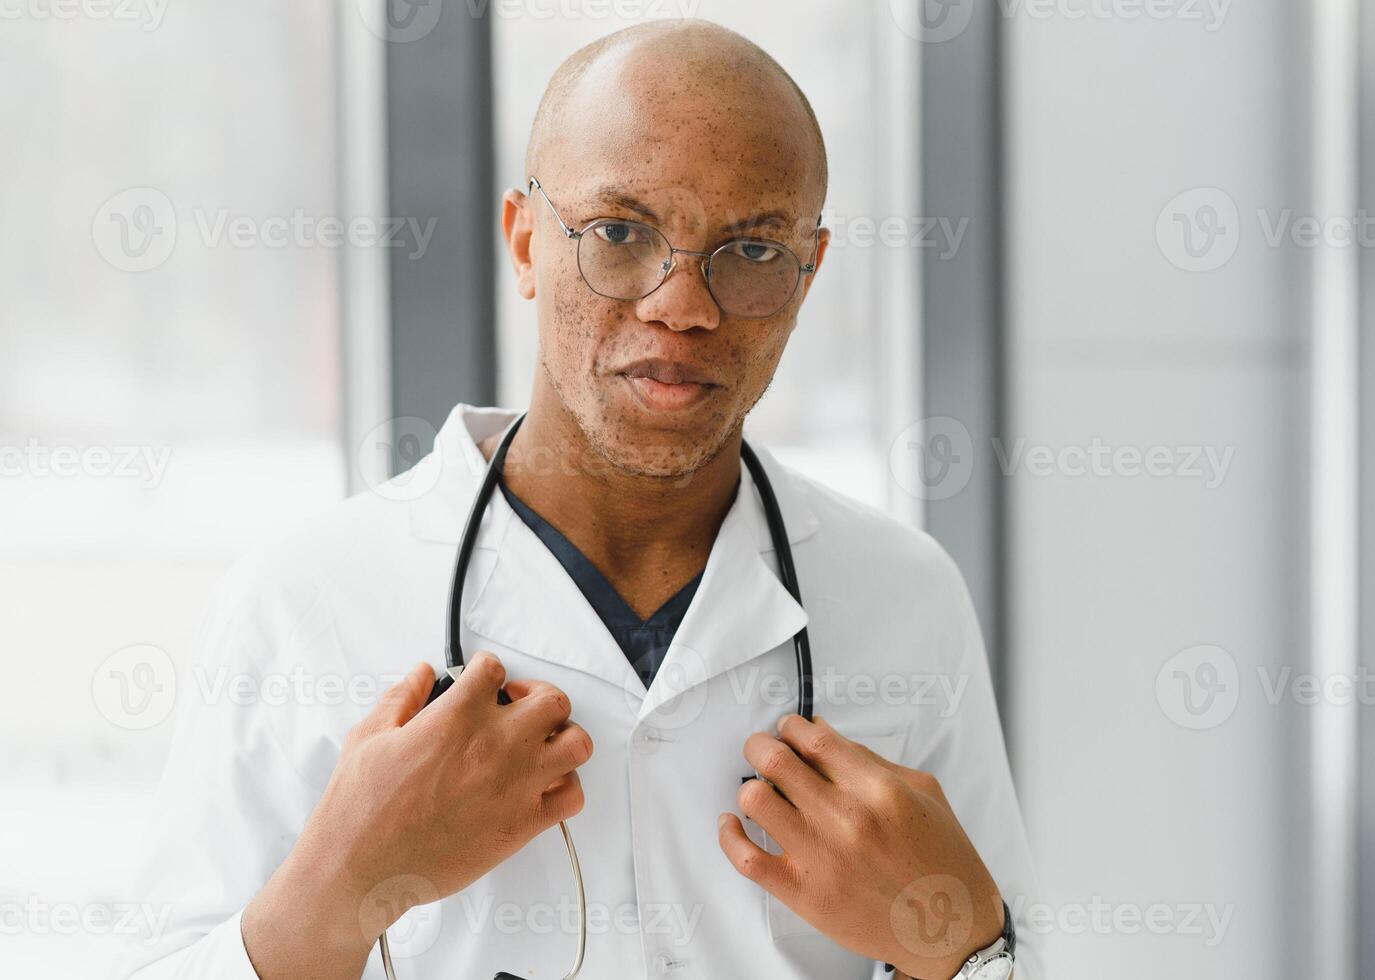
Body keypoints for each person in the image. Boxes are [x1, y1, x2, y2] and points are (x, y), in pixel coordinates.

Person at [122, 19, 1043, 980]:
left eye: (752, 251)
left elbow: (1013, 953)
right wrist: (340, 890)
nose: (683, 305)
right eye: (619, 233)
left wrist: (961, 945)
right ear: (524, 243)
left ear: (807, 275)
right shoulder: (301, 601)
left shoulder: (905, 596)